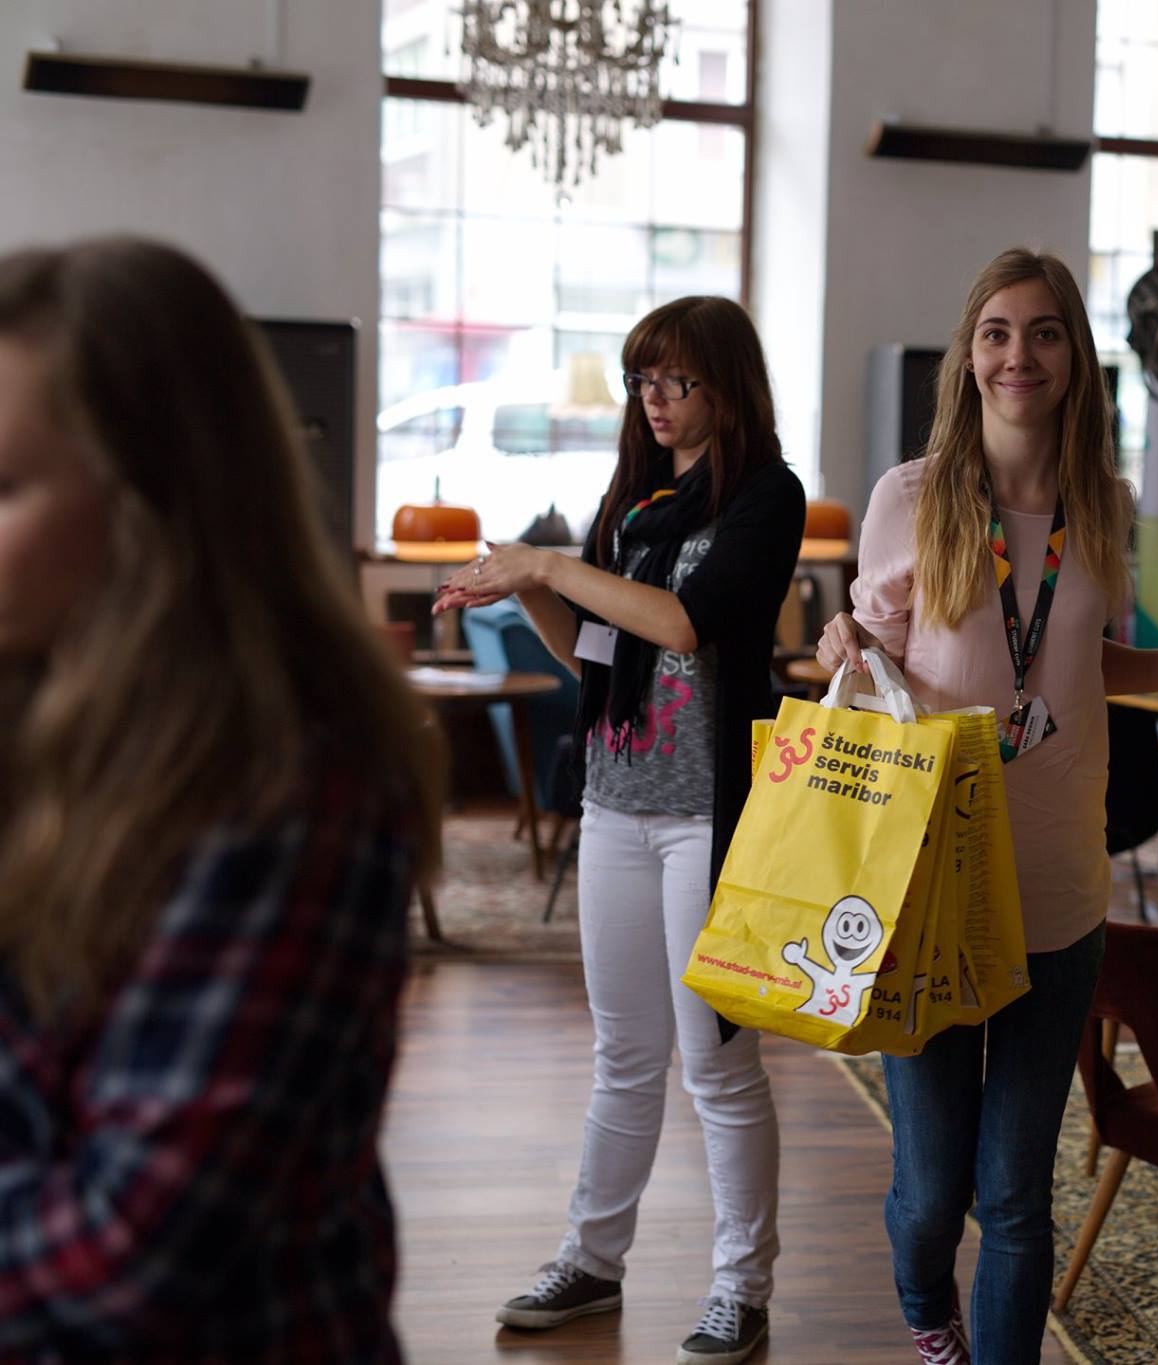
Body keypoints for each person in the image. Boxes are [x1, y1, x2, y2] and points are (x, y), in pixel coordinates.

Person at [816, 247, 1158, 1365]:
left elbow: (1077, 658)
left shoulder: (1103, 504)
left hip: (1059, 890)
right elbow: (878, 653)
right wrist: (841, 639)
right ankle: (930, 1314)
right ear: (969, 357)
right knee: (932, 1191)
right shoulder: (912, 498)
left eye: (1045, 332)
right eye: (998, 333)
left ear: (1074, 357)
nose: (1020, 355)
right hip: (931, 887)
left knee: (1015, 1193)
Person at [0, 237, 442, 1359]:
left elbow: (127, 1254)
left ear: (151, 501)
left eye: (3, 486)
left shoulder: (286, 779)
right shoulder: (34, 704)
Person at [435, 295, 804, 1365]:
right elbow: (596, 654)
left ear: (726, 385)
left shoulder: (766, 496)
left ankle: (741, 1287)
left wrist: (551, 565)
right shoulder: (634, 507)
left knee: (718, 1064)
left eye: (675, 379)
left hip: (706, 816)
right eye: (643, 379)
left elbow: (686, 625)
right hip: (616, 801)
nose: (653, 398)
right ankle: (592, 1260)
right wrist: (519, 589)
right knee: (624, 1055)